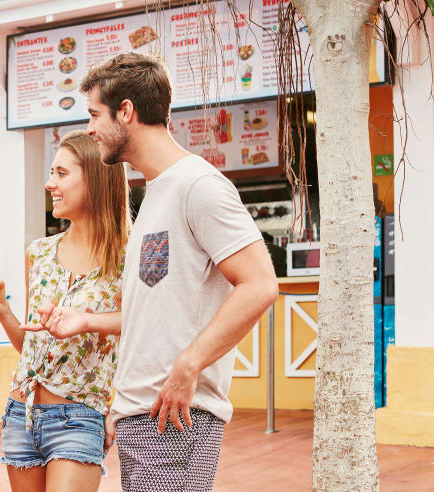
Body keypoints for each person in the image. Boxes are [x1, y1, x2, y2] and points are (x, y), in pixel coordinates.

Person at [78, 53, 278, 490]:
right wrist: (123, 404)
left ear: (126, 111)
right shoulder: (156, 192)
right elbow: (155, 313)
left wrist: (189, 366)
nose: (90, 128)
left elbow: (260, 284)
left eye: (94, 114)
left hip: (175, 416)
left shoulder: (198, 186)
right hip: (143, 414)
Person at [0, 130, 129, 492]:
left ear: (95, 177)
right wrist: (2, 310)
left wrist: (88, 322)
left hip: (80, 414)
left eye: (62, 174)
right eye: (51, 174)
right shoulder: (40, 252)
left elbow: (148, 325)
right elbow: (32, 347)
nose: (49, 184)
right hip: (20, 412)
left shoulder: (128, 254)